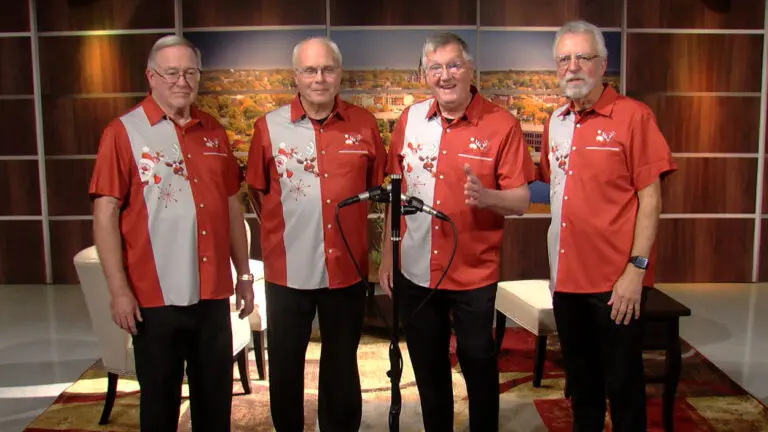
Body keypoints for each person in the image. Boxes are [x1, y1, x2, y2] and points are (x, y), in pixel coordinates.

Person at [88, 34, 254, 431]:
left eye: (191, 72)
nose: (182, 81)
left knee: (215, 401)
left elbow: (232, 207)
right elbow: (105, 213)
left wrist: (244, 275)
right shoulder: (122, 132)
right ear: (151, 76)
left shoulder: (213, 130)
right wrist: (118, 289)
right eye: (172, 73)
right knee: (160, 403)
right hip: (153, 297)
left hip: (213, 293)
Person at [379, 32, 536, 431]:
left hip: (473, 273)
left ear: (469, 70)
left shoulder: (503, 124)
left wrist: (486, 197)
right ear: (424, 74)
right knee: (429, 369)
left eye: (453, 66)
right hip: (415, 269)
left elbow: (520, 200)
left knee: (478, 364)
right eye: (435, 67)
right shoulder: (409, 119)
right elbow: (394, 191)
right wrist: (386, 255)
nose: (445, 75)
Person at [538, 20, 677, 431]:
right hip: (565, 280)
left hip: (617, 283)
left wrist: (636, 269)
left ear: (603, 64)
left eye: (584, 57)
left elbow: (651, 198)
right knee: (581, 386)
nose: (573, 67)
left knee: (623, 385)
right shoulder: (555, 122)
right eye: (564, 59)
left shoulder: (634, 117)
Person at [245, 36, 386, 431]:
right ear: (296, 77)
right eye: (310, 70)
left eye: (327, 69)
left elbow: (378, 188)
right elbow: (256, 190)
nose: (319, 78)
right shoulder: (267, 127)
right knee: (287, 363)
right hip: (287, 269)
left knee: (342, 363)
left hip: (347, 268)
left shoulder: (365, 125)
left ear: (339, 74)